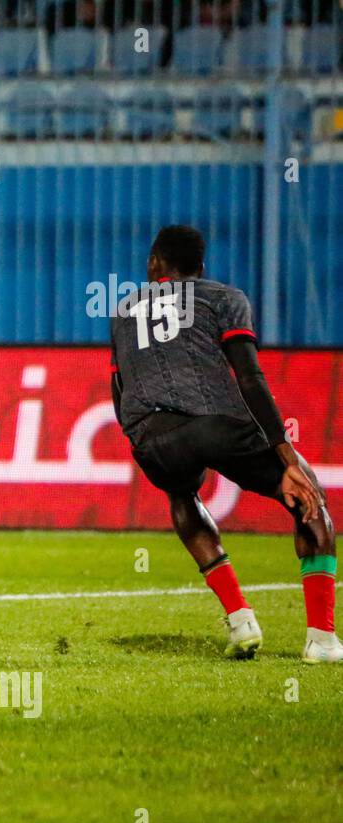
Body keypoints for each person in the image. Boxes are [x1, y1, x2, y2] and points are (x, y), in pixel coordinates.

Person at [110, 224, 339, 662]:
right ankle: (322, 641)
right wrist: (285, 455)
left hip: (150, 442)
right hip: (214, 425)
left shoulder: (123, 309)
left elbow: (118, 391)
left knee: (182, 495)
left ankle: (240, 620)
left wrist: (140, 438)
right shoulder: (223, 298)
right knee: (311, 499)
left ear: (155, 264)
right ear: (201, 267)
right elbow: (250, 378)